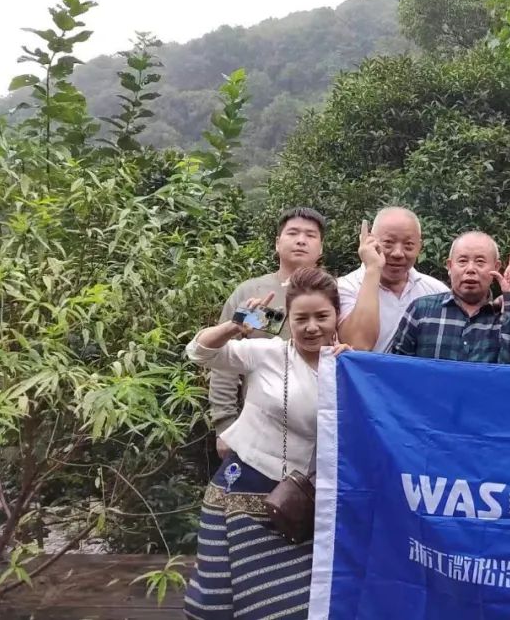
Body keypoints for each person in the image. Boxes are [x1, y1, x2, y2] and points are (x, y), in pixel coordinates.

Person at [185, 267, 344, 619]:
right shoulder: (268, 352)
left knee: (290, 605)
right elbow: (199, 352)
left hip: (299, 501)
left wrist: (351, 370)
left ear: (337, 315)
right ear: (288, 318)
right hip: (240, 488)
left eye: (322, 317)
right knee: (216, 599)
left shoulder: (346, 366)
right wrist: (234, 326)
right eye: (301, 318)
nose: (311, 327)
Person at [210, 207, 325, 459]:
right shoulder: (253, 294)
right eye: (293, 233)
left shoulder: (336, 293)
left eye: (310, 235)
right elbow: (223, 362)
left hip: (318, 433)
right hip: (255, 432)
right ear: (277, 243)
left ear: (321, 248)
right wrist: (225, 424)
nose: (301, 240)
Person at [389, 231, 510, 364]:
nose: (470, 269)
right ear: (449, 266)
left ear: (496, 268)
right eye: (463, 261)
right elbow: (397, 368)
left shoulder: (507, 316)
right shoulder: (421, 310)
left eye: (480, 262)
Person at [337, 207, 448, 351]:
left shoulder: (437, 292)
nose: (398, 253)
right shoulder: (345, 287)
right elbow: (359, 346)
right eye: (388, 243)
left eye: (408, 245)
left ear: (419, 247)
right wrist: (373, 269)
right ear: (369, 241)